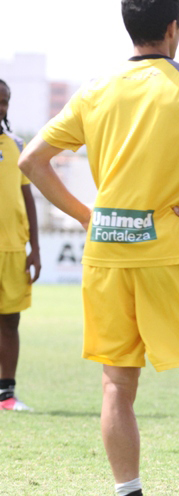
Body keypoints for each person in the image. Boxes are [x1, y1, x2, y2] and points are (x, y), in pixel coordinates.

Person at [18, 2, 179, 496]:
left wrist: (87, 218)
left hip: (108, 252)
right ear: (174, 28)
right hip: (171, 253)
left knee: (117, 386)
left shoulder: (96, 87)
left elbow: (31, 160)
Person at [0, 79, 40, 412]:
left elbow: (28, 200)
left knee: (10, 322)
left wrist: (35, 249)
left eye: (5, 101)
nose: (1, 107)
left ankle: (6, 396)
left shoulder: (17, 144)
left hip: (14, 250)